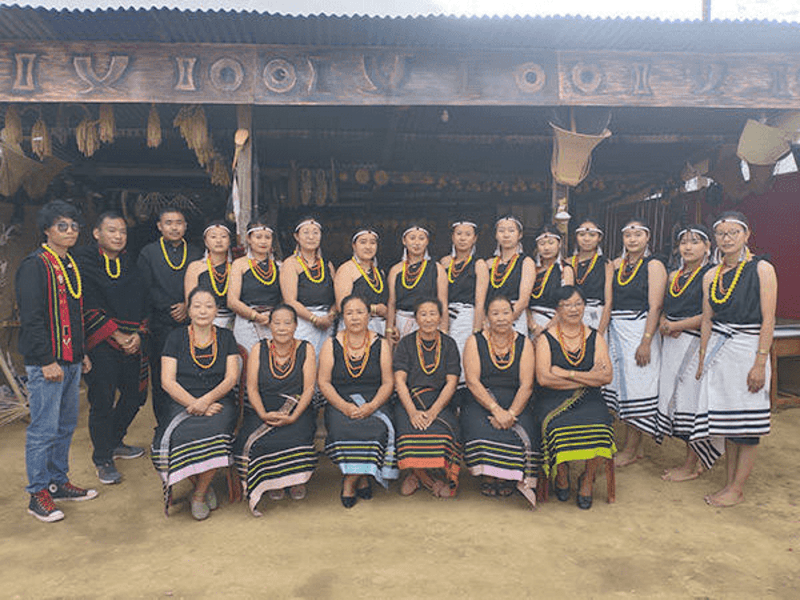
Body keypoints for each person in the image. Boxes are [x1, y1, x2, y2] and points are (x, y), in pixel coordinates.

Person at [16, 200, 97, 522]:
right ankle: (37, 493)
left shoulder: (68, 263)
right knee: (43, 429)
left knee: (65, 426)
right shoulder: (35, 264)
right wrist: (46, 360)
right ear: (47, 230)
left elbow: (74, 315)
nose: (70, 231)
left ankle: (58, 482)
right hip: (47, 362)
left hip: (71, 359)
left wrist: (81, 352)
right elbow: (32, 318)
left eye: (74, 226)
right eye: (62, 226)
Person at [694, 211, 776, 507]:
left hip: (748, 350)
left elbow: (768, 319)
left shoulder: (762, 269)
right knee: (729, 423)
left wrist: (759, 363)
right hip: (721, 353)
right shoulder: (711, 275)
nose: (727, 239)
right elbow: (707, 320)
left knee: (749, 426)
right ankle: (729, 484)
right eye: (721, 234)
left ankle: (737, 488)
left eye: (733, 233)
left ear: (747, 234)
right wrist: (703, 358)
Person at [152, 287, 240, 520]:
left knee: (217, 435)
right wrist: (195, 404)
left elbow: (231, 378)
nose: (203, 311)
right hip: (181, 401)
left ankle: (199, 493)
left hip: (219, 402)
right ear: (189, 310)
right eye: (197, 306)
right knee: (170, 439)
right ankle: (204, 485)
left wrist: (206, 401)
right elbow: (167, 381)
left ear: (216, 311)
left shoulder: (226, 337)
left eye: (209, 306)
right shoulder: (175, 337)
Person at [75, 212, 148, 485]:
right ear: (97, 233)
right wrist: (116, 334)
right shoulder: (84, 263)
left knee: (135, 395)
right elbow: (85, 304)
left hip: (132, 341)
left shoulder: (131, 264)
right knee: (102, 401)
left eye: (123, 231)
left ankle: (115, 441)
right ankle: (102, 458)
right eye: (112, 230)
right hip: (101, 343)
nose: (118, 236)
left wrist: (138, 334)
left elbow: (144, 300)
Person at [533, 286, 615, 510]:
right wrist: (589, 378)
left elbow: (606, 376)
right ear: (557, 309)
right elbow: (544, 378)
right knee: (555, 426)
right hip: (552, 398)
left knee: (600, 425)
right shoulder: (546, 338)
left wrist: (566, 373)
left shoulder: (595, 337)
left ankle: (587, 479)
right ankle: (561, 472)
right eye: (567, 305)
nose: (573, 309)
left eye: (578, 303)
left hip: (589, 398)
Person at [233, 304, 317, 516]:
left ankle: (295, 479)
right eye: (277, 323)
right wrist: (262, 413)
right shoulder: (258, 349)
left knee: (297, 434)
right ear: (269, 325)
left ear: (296, 326)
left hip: (297, 406)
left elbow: (309, 389)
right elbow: (252, 388)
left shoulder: (306, 348)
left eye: (287, 323)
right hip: (263, 406)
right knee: (252, 441)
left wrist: (294, 416)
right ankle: (271, 480)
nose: (281, 327)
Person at [318, 295, 397, 508]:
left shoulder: (381, 344)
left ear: (368, 316)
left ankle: (350, 481)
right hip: (340, 402)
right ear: (343, 317)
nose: (355, 317)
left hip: (375, 400)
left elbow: (388, 382)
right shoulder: (331, 344)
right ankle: (362, 478)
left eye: (360, 312)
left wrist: (372, 406)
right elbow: (324, 382)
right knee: (342, 428)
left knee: (376, 428)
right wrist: (344, 406)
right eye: (349, 313)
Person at [461, 295, 537, 507]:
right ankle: (488, 475)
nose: (501, 318)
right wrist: (496, 410)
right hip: (481, 400)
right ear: (487, 317)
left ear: (513, 315)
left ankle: (507, 476)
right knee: (479, 427)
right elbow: (472, 381)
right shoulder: (474, 341)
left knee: (527, 428)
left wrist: (510, 413)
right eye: (495, 313)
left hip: (516, 401)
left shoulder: (524, 343)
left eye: (506, 313)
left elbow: (526, 385)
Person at [654, 225, 712, 482]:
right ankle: (690, 461)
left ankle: (691, 465)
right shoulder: (674, 275)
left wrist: (677, 325)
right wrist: (665, 323)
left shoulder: (711, 274)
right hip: (672, 343)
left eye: (695, 241)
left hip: (694, 343)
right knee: (676, 400)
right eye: (684, 242)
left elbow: (710, 315)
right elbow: (665, 307)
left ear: (707, 247)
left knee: (691, 402)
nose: (688, 247)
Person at [607, 219, 667, 466]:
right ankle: (636, 447)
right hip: (616, 331)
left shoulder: (654, 265)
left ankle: (631, 449)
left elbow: (656, 306)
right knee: (620, 389)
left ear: (647, 238)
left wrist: (646, 341)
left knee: (638, 389)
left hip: (640, 330)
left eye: (638, 234)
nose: (632, 239)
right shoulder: (615, 265)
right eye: (628, 235)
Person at [137, 206, 202, 426]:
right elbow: (145, 288)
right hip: (161, 325)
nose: (174, 227)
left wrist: (187, 305)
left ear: (186, 226)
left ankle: (188, 425)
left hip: (190, 323)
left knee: (190, 374)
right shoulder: (148, 253)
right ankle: (164, 426)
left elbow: (202, 284)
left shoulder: (195, 252)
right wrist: (170, 308)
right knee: (162, 377)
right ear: (159, 226)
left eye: (179, 223)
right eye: (169, 223)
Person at [394, 299, 462, 498]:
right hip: (409, 400)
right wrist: (412, 412)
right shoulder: (406, 343)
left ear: (440, 317)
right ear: (416, 318)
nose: (428, 319)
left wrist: (433, 412)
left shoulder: (449, 344)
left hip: (439, 400)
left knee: (445, 431)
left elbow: (452, 383)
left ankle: (426, 475)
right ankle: (426, 479)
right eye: (423, 314)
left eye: (433, 314)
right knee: (409, 429)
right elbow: (399, 381)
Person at [280, 218, 336, 357]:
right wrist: (314, 319)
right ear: (296, 236)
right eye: (306, 232)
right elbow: (290, 300)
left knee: (326, 361)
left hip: (327, 322)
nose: (311, 237)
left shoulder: (327, 264)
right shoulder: (290, 264)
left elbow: (338, 296)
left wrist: (330, 316)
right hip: (303, 321)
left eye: (315, 232)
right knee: (304, 359)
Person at [386, 224, 448, 342]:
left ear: (427, 241)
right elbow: (391, 304)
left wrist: (444, 331)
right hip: (402, 323)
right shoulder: (396, 270)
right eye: (412, 238)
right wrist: (389, 330)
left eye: (421, 238)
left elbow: (443, 304)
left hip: (429, 323)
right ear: (404, 241)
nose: (417, 243)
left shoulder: (437, 269)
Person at [228, 218, 282, 351]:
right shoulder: (239, 264)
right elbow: (232, 301)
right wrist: (256, 316)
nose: (263, 241)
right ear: (249, 239)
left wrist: (273, 316)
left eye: (267, 237)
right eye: (258, 237)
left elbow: (286, 298)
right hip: (247, 321)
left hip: (273, 322)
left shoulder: (280, 266)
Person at [439, 220, 488, 357]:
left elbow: (480, 302)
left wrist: (476, 330)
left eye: (468, 234)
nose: (462, 238)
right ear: (452, 237)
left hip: (466, 316)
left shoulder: (479, 264)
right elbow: (440, 296)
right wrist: (443, 324)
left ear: (475, 238)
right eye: (459, 234)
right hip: (444, 315)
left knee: (462, 355)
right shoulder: (444, 262)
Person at [485, 216, 535, 336]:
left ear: (520, 235)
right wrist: (490, 320)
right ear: (496, 235)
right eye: (501, 231)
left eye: (511, 231)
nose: (506, 235)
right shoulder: (489, 264)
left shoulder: (526, 262)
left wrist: (504, 320)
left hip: (515, 317)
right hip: (491, 318)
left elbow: (523, 300)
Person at [334, 228, 388, 335]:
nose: (368, 247)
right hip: (354, 326)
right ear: (354, 246)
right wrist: (374, 309)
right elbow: (341, 305)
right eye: (363, 242)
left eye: (372, 243)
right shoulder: (347, 269)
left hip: (379, 327)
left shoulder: (379, 272)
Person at [527, 224, 575, 339]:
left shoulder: (565, 270)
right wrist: (533, 326)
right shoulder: (531, 269)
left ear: (559, 243)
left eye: (551, 243)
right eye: (542, 244)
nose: (546, 248)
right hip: (530, 324)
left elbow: (566, 303)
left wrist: (547, 329)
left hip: (555, 323)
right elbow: (524, 300)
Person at [185, 220, 235, 329]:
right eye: (213, 237)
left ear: (229, 241)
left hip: (234, 322)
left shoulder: (237, 267)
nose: (218, 240)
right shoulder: (195, 268)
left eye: (223, 236)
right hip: (204, 320)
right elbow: (190, 303)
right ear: (206, 242)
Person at [570, 219, 613, 333]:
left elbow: (608, 301)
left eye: (592, 235)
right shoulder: (568, 262)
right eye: (582, 235)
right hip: (570, 314)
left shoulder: (606, 264)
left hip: (596, 316)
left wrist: (601, 331)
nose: (586, 239)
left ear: (599, 238)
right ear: (576, 237)